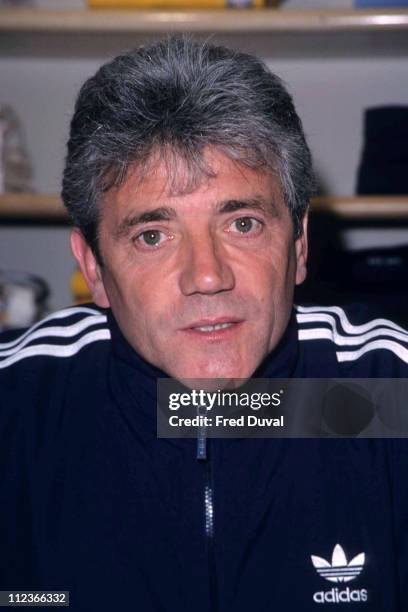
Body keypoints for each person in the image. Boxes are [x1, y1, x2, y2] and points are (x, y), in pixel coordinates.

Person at [0, 37, 407, 612]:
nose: (207, 276)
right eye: (152, 236)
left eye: (242, 224)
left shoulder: (389, 392)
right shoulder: (18, 407)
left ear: (298, 244)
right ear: (93, 266)